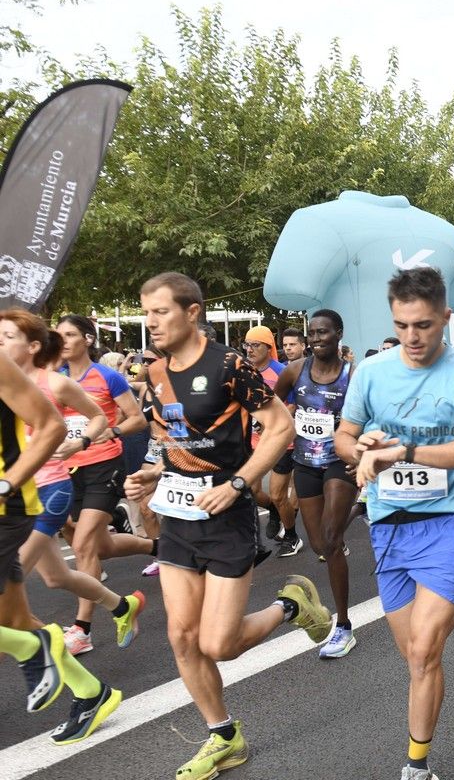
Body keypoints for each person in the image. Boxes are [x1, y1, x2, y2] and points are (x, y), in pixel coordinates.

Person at [126, 272, 332, 779]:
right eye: (146, 312)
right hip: (177, 516)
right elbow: (167, 435)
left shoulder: (228, 365)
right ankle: (224, 736)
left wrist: (238, 484)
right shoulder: (155, 373)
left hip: (226, 516)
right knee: (181, 637)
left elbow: (279, 426)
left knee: (220, 644)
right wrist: (154, 471)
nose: (151, 322)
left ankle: (291, 605)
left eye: (161, 312)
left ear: (192, 312)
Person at [334, 266, 454, 780]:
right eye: (402, 324)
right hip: (388, 525)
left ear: (446, 319)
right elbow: (343, 437)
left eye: (424, 325)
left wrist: (405, 450)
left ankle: (416, 766)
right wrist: (359, 447)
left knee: (424, 651)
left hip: (448, 520)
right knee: (414, 651)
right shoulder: (371, 373)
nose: (412, 336)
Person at [0, 348, 126, 745]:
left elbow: (61, 425)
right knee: (29, 607)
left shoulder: (51, 380)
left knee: (83, 550)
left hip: (35, 495)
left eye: (10, 335)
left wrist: (7, 484)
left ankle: (60, 636)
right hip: (31, 497)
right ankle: (89, 688)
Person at [0, 311, 145, 649]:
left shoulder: (55, 382)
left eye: (7, 336)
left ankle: (65, 644)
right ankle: (122, 605)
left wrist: (81, 441)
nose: (0, 342)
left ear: (34, 346)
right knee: (55, 577)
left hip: (51, 487)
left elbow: (96, 416)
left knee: (11, 576)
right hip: (20, 494)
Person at [55, 314, 153, 654]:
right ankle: (160, 547)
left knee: (83, 546)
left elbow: (137, 418)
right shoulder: (57, 378)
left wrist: (109, 431)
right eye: (59, 335)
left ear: (87, 339)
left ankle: (82, 630)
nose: (63, 340)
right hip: (68, 471)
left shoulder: (107, 376)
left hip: (104, 466)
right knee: (99, 547)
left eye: (70, 334)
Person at [274, 309, 360, 659]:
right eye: (312, 333)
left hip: (340, 464)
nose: (315, 339)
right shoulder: (296, 371)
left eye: (323, 332)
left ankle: (343, 625)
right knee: (319, 546)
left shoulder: (353, 376)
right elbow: (273, 404)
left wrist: (360, 451)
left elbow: (371, 413)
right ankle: (359, 511)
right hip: (305, 463)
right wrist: (283, 423)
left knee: (333, 539)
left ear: (338, 334)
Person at [242, 326, 300, 555]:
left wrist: (270, 423)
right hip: (254, 442)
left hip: (281, 442)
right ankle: (275, 512)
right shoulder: (244, 371)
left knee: (277, 494)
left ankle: (292, 536)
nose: (250, 350)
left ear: (268, 347)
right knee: (252, 491)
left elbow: (293, 405)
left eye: (255, 345)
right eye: (247, 345)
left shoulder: (281, 371)